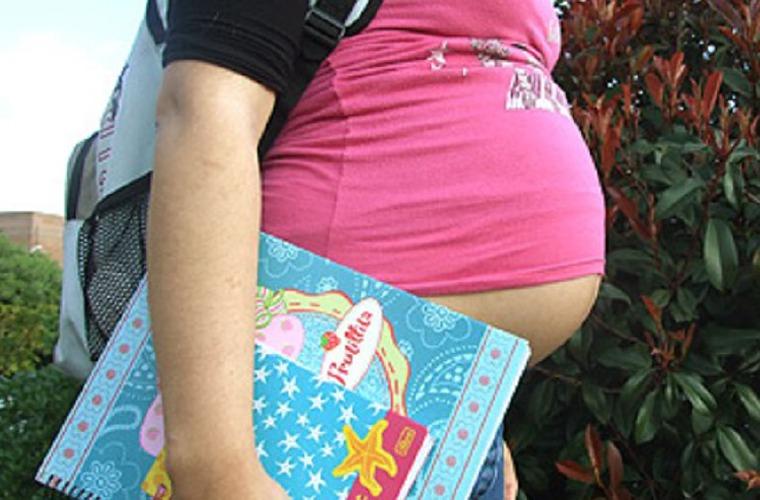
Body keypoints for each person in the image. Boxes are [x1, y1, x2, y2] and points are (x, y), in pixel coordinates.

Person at [146, 0, 606, 498]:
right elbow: (205, 112)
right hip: (293, 410)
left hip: (437, 410)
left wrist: (467, 405)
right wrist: (215, 467)